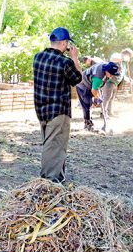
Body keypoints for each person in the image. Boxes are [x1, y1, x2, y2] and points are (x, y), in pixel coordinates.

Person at [32, 27, 83, 183]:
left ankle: (57, 178)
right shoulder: (65, 62)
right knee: (55, 146)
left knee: (51, 144)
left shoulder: (38, 57)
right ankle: (49, 182)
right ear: (64, 44)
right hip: (58, 111)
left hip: (41, 110)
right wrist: (74, 58)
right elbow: (78, 78)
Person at [76, 61, 120, 131]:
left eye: (113, 74)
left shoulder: (105, 66)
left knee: (93, 102)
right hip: (82, 84)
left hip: (91, 82)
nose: (112, 76)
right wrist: (98, 98)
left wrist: (97, 97)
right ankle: (88, 124)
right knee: (88, 104)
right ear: (106, 70)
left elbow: (97, 87)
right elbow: (94, 91)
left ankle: (91, 122)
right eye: (111, 74)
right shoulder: (98, 78)